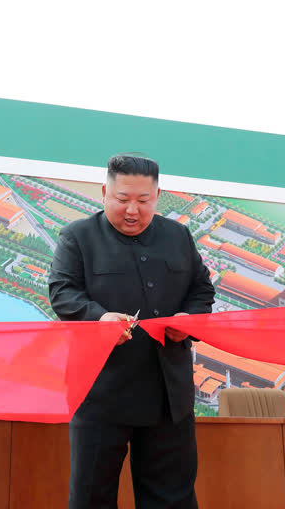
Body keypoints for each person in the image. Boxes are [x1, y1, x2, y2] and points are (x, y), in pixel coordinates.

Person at [49, 155, 215, 509]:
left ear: (157, 196)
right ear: (104, 192)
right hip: (100, 393)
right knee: (92, 497)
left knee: (172, 498)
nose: (132, 211)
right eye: (122, 199)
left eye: (143, 201)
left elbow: (202, 291)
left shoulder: (177, 236)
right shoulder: (78, 237)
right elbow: (62, 292)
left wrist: (188, 320)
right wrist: (99, 319)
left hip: (168, 396)